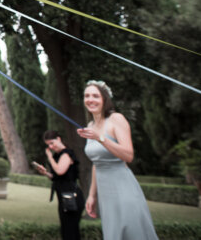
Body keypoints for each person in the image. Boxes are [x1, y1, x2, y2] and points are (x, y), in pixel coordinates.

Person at [77, 80, 158, 240]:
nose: (90, 99)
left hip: (123, 188)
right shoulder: (90, 125)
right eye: (87, 96)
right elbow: (96, 162)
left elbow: (128, 155)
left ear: (104, 99)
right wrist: (92, 195)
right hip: (106, 195)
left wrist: (101, 139)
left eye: (95, 96)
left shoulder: (116, 119)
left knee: (133, 233)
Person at [33, 130, 84, 240]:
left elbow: (60, 171)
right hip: (63, 197)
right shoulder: (57, 155)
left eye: (52, 143)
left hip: (72, 197)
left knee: (71, 231)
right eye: (48, 145)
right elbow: (57, 177)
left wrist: (50, 157)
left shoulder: (66, 154)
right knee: (66, 230)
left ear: (59, 139)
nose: (50, 147)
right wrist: (45, 172)